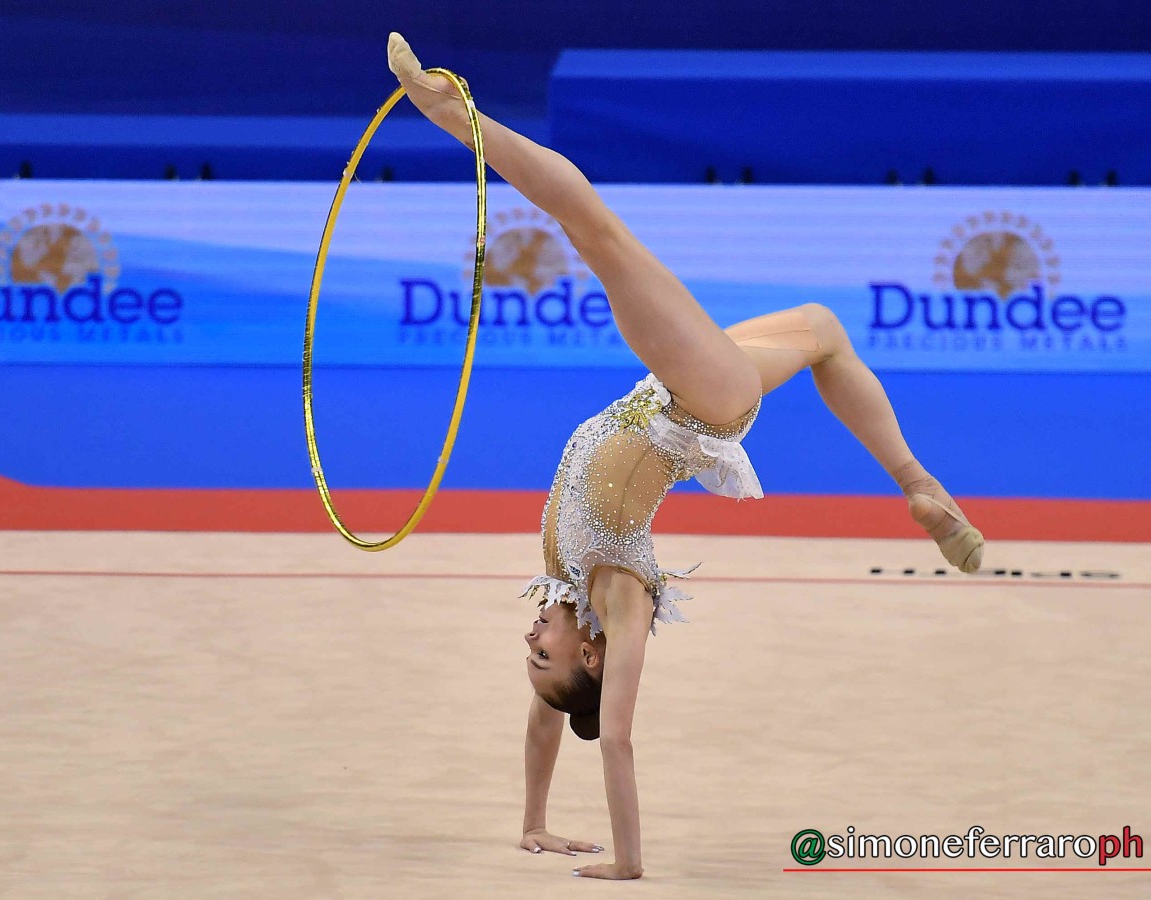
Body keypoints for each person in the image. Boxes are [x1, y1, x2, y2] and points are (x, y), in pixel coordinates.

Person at [387, 33, 985, 880]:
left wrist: (534, 823)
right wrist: (626, 864)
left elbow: (547, 716)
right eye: (542, 652)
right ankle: (455, 116)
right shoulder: (619, 598)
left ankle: (919, 486)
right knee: (594, 228)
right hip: (694, 399)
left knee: (823, 328)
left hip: (686, 392)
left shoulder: (563, 586)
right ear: (590, 655)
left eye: (531, 651)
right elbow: (615, 736)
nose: (529, 635)